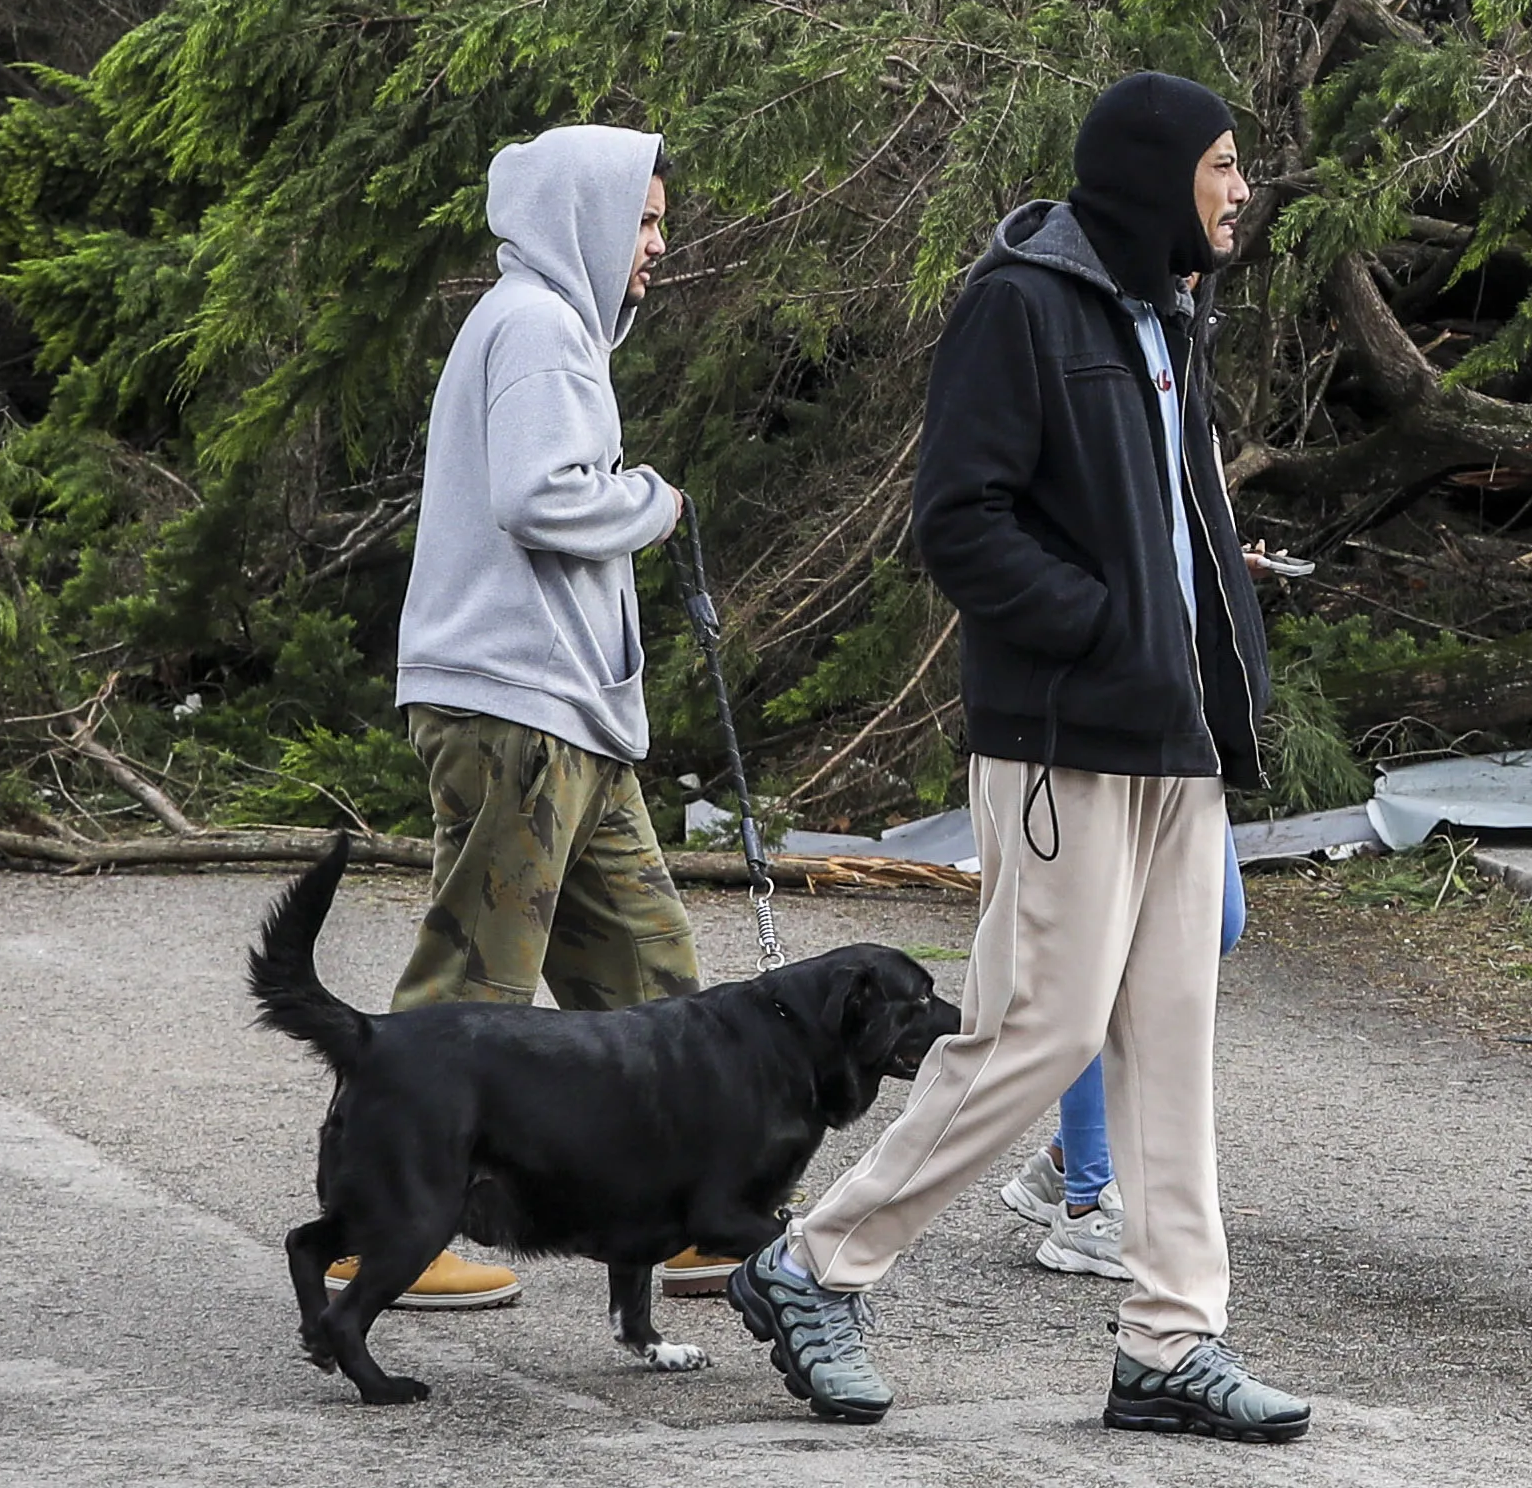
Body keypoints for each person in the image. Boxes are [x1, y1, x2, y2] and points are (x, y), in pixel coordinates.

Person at [729, 74, 1309, 1445]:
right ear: (1155, 171)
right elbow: (961, 522)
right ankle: (815, 1266)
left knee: (1173, 1040)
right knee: (1037, 1033)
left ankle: (1173, 1339)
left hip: (1176, 746)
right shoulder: (1024, 305)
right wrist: (1105, 633)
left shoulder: (1167, 312)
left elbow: (1179, 522)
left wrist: (1210, 680)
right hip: (1065, 741)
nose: (1240, 190)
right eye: (1222, 165)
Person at [363, 122, 701, 1318]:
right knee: (477, 979)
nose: (658, 243)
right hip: (516, 705)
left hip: (567, 713)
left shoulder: (544, 327)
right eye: (646, 220)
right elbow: (538, 498)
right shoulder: (541, 329)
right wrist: (651, 502)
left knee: (648, 967)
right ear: (588, 216)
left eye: (659, 221)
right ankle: (382, 1227)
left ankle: (693, 1207)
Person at [997, 859, 1247, 1279]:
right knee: (1108, 944)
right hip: (1099, 793)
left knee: (1215, 919)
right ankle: (1087, 1202)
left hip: (1186, 789)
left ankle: (1067, 1157)